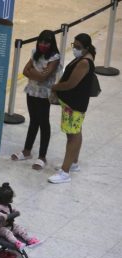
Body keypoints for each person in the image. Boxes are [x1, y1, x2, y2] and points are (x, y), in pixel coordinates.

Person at [48, 33, 96, 184]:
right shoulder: (85, 57)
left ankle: (65, 172)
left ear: (86, 48)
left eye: (78, 47)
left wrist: (54, 87)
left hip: (75, 104)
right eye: (73, 45)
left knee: (72, 135)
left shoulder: (84, 62)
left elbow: (71, 84)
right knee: (76, 131)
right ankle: (73, 162)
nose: (75, 49)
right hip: (74, 102)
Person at [11, 30, 61, 170]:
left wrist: (34, 73)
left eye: (46, 43)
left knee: (44, 123)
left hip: (44, 95)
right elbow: (25, 70)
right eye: (41, 42)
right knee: (33, 120)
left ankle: (42, 156)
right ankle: (27, 151)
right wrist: (37, 74)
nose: (43, 45)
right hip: (31, 91)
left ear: (51, 44)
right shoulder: (35, 53)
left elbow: (44, 77)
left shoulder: (54, 57)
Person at [0, 183, 41, 250]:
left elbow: (12, 210)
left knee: (19, 228)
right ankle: (16, 243)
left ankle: (29, 239)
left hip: (9, 225)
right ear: (5, 199)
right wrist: (3, 216)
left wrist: (15, 212)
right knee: (7, 233)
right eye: (11, 198)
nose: (12, 200)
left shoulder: (7, 205)